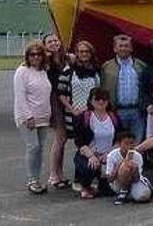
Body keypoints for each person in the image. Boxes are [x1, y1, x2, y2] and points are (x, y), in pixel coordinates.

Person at [57, 40, 101, 190]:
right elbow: (61, 94)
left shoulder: (96, 70)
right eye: (81, 52)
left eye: (86, 52)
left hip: (93, 114)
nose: (84, 54)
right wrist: (71, 109)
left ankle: (93, 176)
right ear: (77, 53)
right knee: (81, 145)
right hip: (76, 115)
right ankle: (79, 177)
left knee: (94, 143)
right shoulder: (68, 71)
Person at [14, 40, 54, 195]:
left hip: (44, 116)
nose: (36, 57)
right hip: (28, 117)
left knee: (40, 149)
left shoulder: (43, 71)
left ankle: (37, 178)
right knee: (33, 147)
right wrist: (28, 116)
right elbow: (20, 96)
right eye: (32, 54)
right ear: (27, 56)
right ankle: (32, 180)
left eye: (39, 54)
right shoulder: (22, 71)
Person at [73, 87, 120, 199]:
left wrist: (109, 154)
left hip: (108, 155)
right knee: (89, 166)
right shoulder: (84, 117)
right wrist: (91, 156)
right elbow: (79, 141)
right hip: (89, 153)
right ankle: (86, 185)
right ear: (91, 101)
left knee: (109, 192)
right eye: (97, 99)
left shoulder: (114, 117)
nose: (101, 102)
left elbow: (120, 139)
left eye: (104, 99)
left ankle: (103, 184)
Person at [101, 34, 147, 141]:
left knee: (137, 144)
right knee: (118, 143)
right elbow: (102, 89)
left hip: (137, 112)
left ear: (131, 48)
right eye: (120, 46)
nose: (123, 48)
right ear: (115, 48)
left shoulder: (140, 66)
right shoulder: (107, 67)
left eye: (126, 46)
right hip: (117, 112)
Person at [41, 34, 71, 190]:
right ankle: (53, 174)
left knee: (63, 139)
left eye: (55, 40)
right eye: (49, 41)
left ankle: (60, 172)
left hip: (66, 98)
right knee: (60, 138)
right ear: (45, 45)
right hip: (55, 101)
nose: (53, 43)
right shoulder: (45, 61)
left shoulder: (67, 59)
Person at [103, 131, 152, 204]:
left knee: (143, 197)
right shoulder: (111, 156)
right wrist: (120, 165)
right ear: (119, 144)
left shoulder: (137, 156)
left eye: (131, 143)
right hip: (118, 182)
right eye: (126, 143)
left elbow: (136, 179)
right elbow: (110, 179)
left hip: (133, 181)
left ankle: (139, 189)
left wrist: (134, 169)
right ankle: (124, 191)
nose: (129, 146)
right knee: (125, 167)